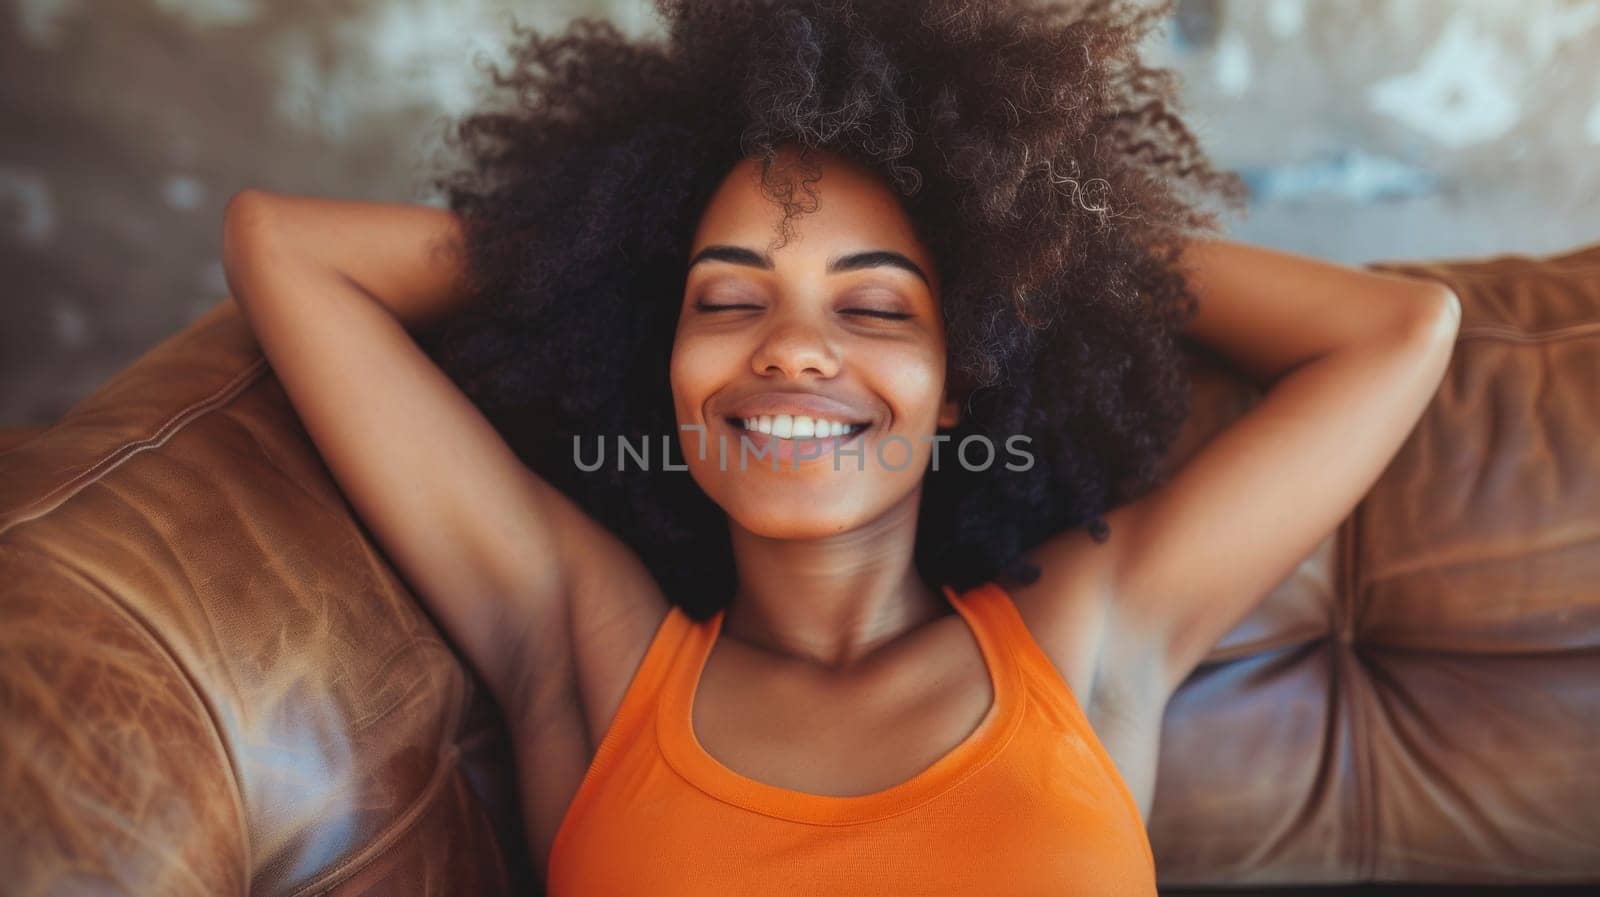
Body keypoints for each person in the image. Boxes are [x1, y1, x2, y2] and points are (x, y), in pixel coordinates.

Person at [220, 0, 1460, 892]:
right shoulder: (584, 652)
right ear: (657, 366)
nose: (795, 350)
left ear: (959, 382)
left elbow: (1400, 333)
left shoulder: (1088, 638)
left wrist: (1033, 236)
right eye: (723, 298)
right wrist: (586, 251)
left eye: (873, 307)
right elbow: (283, 246)